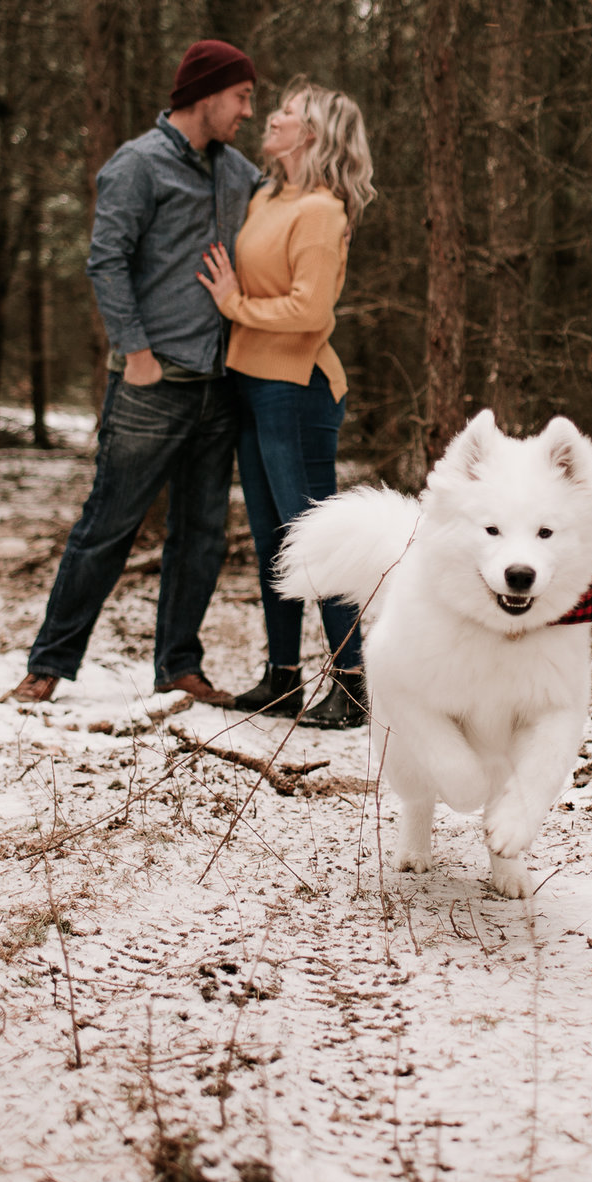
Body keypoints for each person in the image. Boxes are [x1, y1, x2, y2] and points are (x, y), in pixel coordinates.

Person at [2, 41, 261, 707]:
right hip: (152, 384)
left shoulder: (238, 173)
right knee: (107, 527)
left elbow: (286, 222)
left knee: (201, 535)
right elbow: (106, 259)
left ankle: (178, 664)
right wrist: (136, 352)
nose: (249, 111)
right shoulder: (137, 164)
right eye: (241, 96)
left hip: (218, 385)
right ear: (205, 94)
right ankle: (49, 664)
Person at [196, 78, 377, 728]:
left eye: (289, 113)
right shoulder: (271, 195)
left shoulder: (323, 210)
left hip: (297, 392)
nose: (272, 117)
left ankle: (353, 684)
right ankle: (281, 678)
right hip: (250, 380)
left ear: (313, 135)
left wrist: (234, 305)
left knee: (315, 542)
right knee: (277, 542)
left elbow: (311, 309)